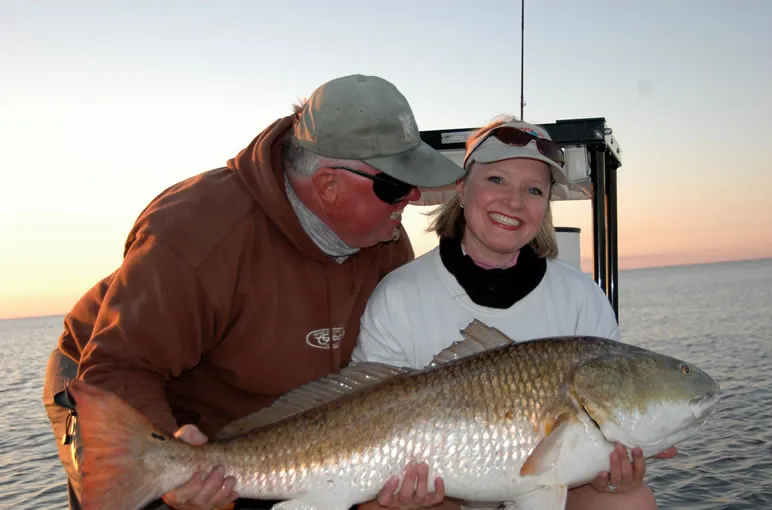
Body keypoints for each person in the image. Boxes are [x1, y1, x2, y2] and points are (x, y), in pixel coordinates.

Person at [41, 73, 466, 510]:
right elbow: (119, 367)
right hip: (116, 385)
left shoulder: (388, 244)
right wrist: (171, 453)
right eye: (395, 186)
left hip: (268, 431)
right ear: (328, 184)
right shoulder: (197, 232)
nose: (412, 198)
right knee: (143, 485)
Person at [351, 115, 677, 510]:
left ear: (545, 207)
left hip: (555, 483)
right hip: (441, 494)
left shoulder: (581, 296)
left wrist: (609, 478)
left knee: (630, 500)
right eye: (496, 180)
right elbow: (363, 408)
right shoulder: (399, 295)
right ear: (462, 188)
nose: (513, 202)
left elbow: (595, 436)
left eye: (534, 190)